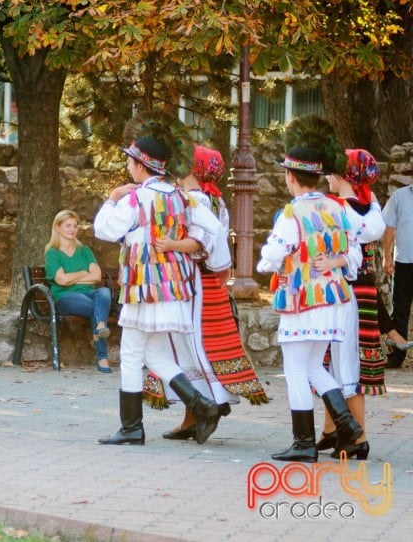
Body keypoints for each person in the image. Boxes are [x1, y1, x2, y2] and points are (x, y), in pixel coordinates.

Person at [93, 114, 223, 446]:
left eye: (130, 160)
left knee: (133, 352)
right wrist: (189, 249)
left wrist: (112, 197)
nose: (128, 165)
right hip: (173, 288)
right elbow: (214, 228)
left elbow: (104, 229)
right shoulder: (183, 197)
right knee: (156, 355)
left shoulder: (136, 198)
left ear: (140, 166)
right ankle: (200, 403)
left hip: (142, 286)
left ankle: (132, 427)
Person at [256, 115, 363, 462]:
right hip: (331, 297)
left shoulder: (292, 212)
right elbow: (355, 252)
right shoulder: (337, 207)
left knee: (296, 371)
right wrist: (337, 262)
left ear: (291, 177)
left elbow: (274, 254)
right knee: (316, 366)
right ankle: (347, 425)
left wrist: (264, 263)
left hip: (301, 300)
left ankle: (303, 442)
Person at [145, 146, 270, 440]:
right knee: (195, 344)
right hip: (208, 281)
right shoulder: (214, 200)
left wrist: (169, 245)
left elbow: (199, 243)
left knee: (190, 344)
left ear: (194, 168)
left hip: (194, 281)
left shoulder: (195, 200)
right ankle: (193, 415)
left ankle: (206, 405)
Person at [317, 148, 386, 460]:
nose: (326, 178)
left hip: (346, 289)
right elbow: (372, 228)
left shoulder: (340, 208)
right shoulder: (370, 205)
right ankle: (332, 429)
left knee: (345, 364)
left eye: (331, 172)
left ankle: (358, 434)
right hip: (365, 290)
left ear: (343, 175)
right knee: (339, 361)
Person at [44, 209, 113, 373]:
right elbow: (61, 280)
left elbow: (96, 276)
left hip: (89, 293)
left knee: (104, 292)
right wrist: (83, 273)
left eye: (75, 226)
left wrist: (72, 277)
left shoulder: (84, 251)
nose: (72, 229)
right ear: (58, 227)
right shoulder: (52, 253)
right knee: (99, 308)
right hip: (66, 297)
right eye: (68, 225)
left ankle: (100, 326)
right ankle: (102, 356)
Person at [382, 182, 413, 367]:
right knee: (400, 310)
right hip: (404, 263)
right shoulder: (399, 196)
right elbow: (389, 228)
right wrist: (387, 257)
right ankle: (396, 357)